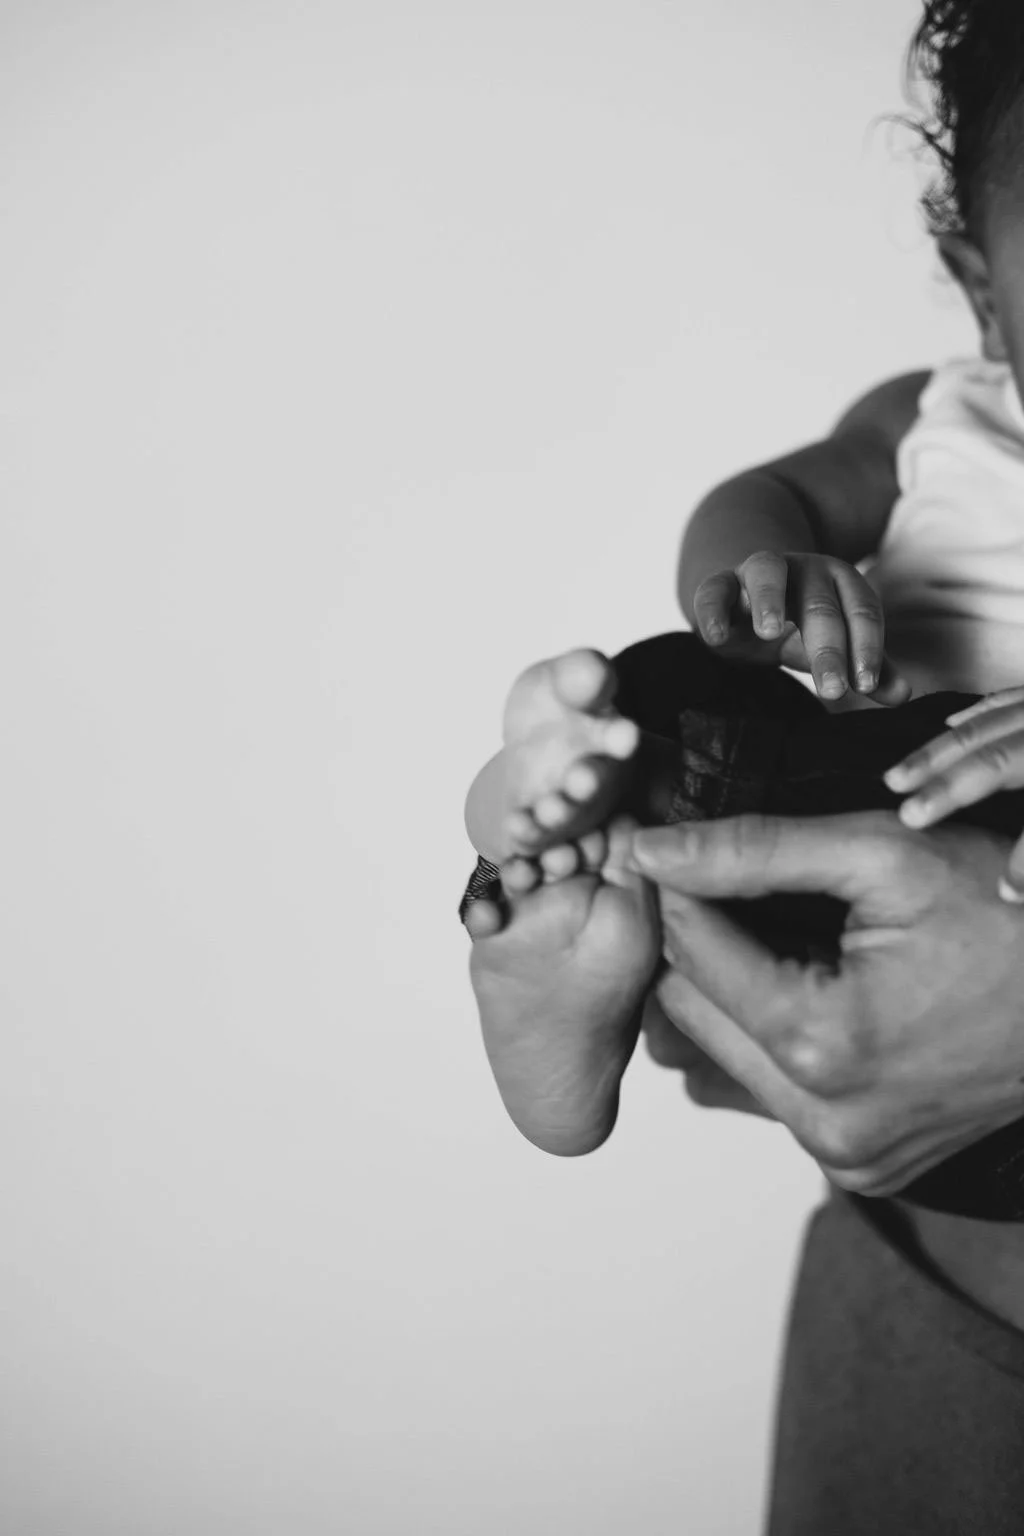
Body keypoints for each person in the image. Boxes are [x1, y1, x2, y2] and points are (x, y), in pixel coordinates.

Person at [460, 1, 1024, 1526]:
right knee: (662, 691)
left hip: (1000, 906)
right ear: (981, 286)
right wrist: (769, 571)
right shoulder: (936, 421)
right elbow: (767, 492)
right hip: (862, 830)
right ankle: (571, 929)